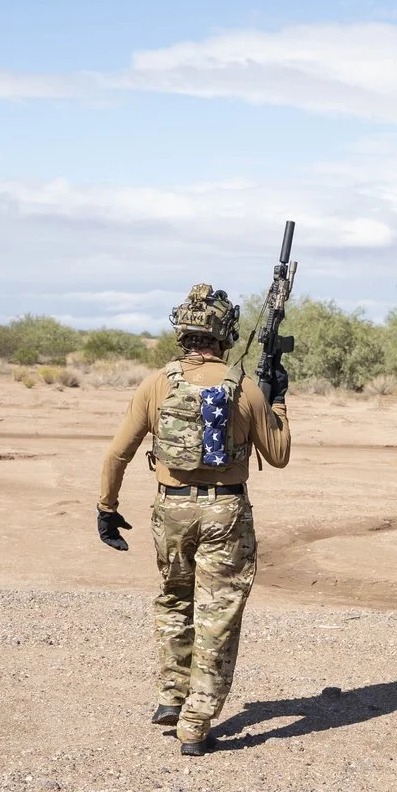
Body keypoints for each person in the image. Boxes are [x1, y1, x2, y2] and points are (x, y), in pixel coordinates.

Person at [97, 282, 292, 756]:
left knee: (173, 598)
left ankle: (171, 693)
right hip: (225, 510)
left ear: (181, 331)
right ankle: (196, 720)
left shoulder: (156, 384)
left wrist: (107, 507)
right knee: (218, 613)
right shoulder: (243, 387)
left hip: (171, 508)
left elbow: (118, 452)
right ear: (226, 334)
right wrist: (279, 400)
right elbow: (280, 454)